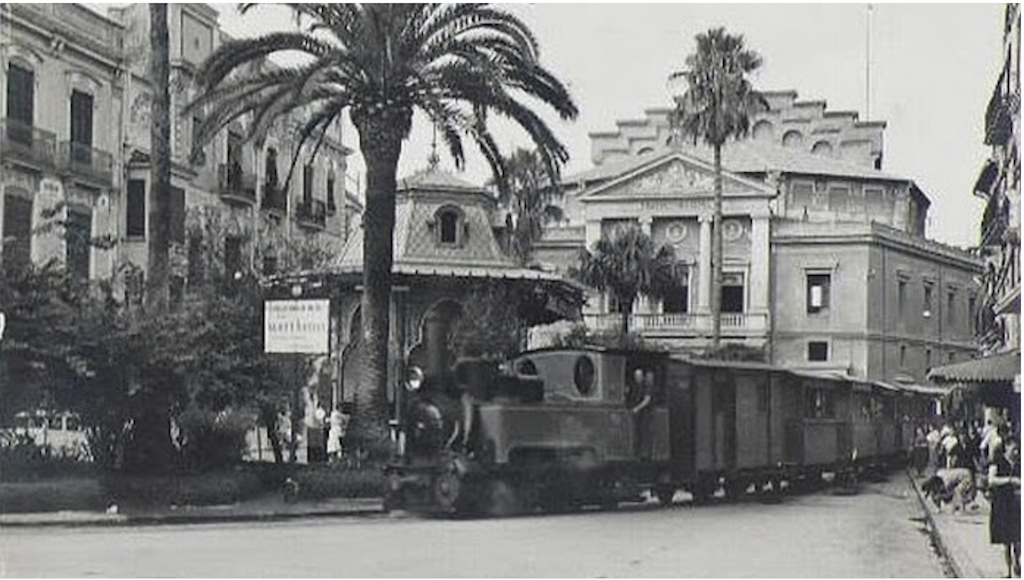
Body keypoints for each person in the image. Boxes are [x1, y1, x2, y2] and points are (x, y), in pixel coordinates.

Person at [987, 429, 1020, 578]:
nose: (1016, 451)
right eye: (1013, 448)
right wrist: (1009, 480)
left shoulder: (1019, 463)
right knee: (1006, 540)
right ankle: (1008, 571)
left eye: (1017, 449)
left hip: (1016, 504)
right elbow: (991, 480)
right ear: (1006, 446)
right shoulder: (997, 462)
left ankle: (1018, 563)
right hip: (1002, 503)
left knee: (1018, 538)